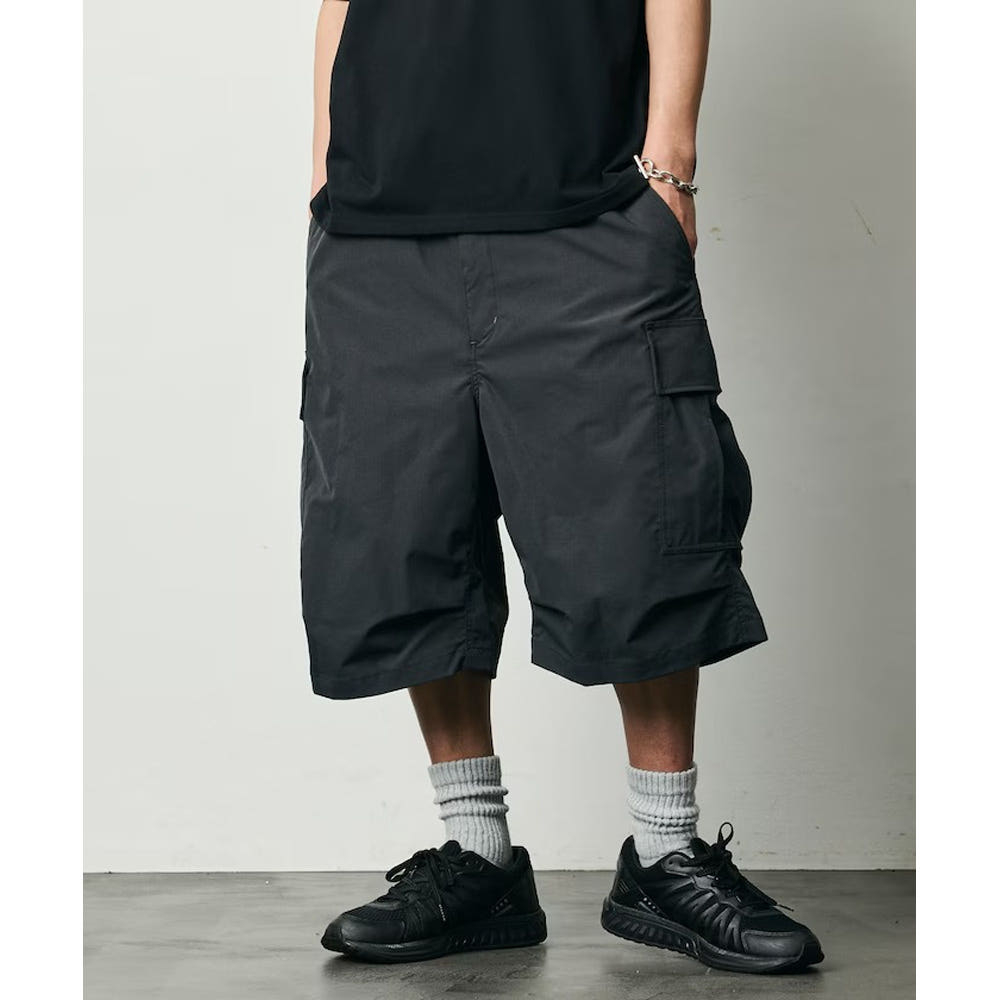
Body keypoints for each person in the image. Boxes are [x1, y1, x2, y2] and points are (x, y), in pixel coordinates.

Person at [301, 0, 823, 974]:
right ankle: (477, 853)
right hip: (377, 226)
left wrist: (669, 165)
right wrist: (325, 170)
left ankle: (664, 851)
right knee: (405, 535)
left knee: (640, 527)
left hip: (588, 208)